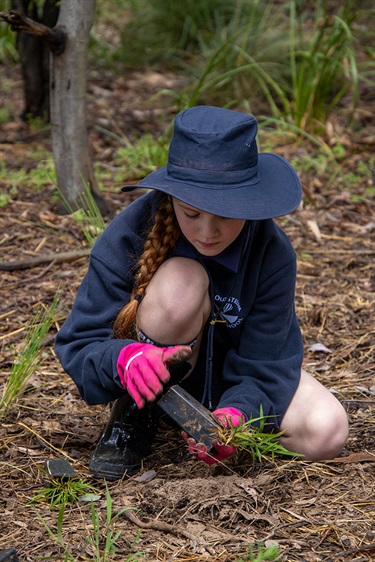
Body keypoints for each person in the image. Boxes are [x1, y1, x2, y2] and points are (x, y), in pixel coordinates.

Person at [55, 105, 349, 480]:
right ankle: (138, 411)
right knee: (183, 279)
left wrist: (238, 415)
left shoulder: (272, 252)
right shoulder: (130, 231)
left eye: (225, 215)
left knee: (328, 430)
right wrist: (124, 359)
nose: (207, 232)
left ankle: (210, 421)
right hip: (148, 374)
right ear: (172, 196)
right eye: (191, 213)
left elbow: (267, 361)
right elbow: (78, 342)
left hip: (234, 381)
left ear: (251, 200)